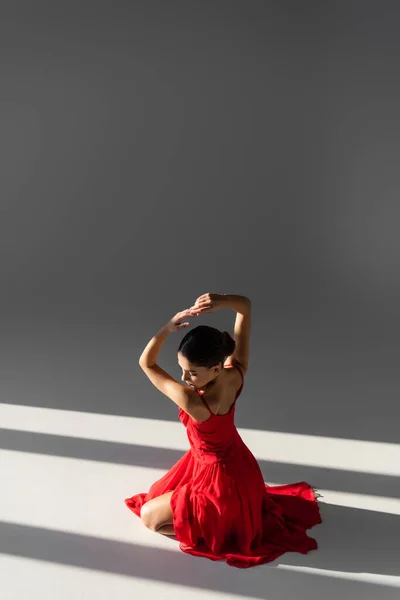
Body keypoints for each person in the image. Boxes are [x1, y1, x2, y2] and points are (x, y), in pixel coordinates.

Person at [125, 293, 322, 568]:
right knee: (159, 497)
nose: (184, 378)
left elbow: (146, 363)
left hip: (217, 481)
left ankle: (216, 527)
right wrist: (221, 300)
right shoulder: (235, 373)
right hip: (241, 466)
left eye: (192, 372)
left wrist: (168, 327)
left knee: (149, 517)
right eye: (182, 369)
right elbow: (246, 308)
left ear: (215, 367)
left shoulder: (193, 400)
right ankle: (226, 518)